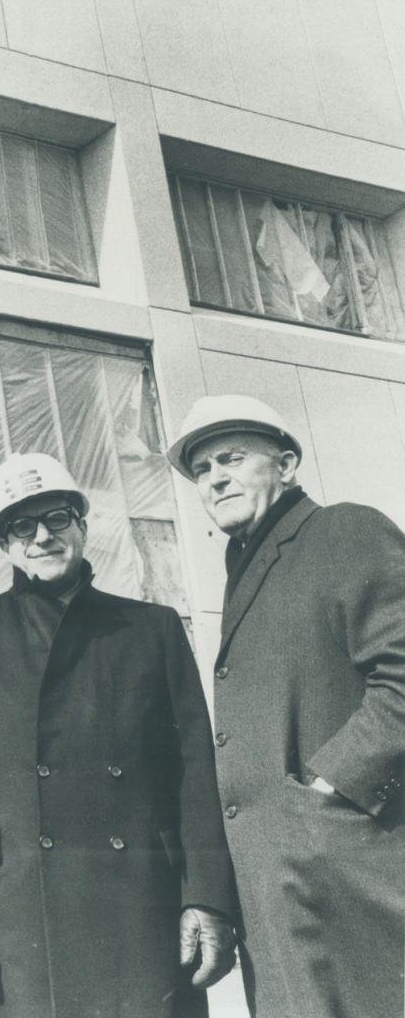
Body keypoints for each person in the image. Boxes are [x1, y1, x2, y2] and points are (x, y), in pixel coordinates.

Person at [0, 453, 238, 1018]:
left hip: (142, 899)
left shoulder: (153, 627)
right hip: (15, 904)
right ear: (4, 544)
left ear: (84, 527)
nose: (43, 536)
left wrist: (208, 896)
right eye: (23, 525)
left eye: (58, 518)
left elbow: (194, 771)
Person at [169, 394, 405, 1018]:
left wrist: (334, 784)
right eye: (201, 469)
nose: (214, 476)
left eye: (232, 457)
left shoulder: (345, 529)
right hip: (280, 885)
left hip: (349, 868)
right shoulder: (248, 563)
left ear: (288, 463)